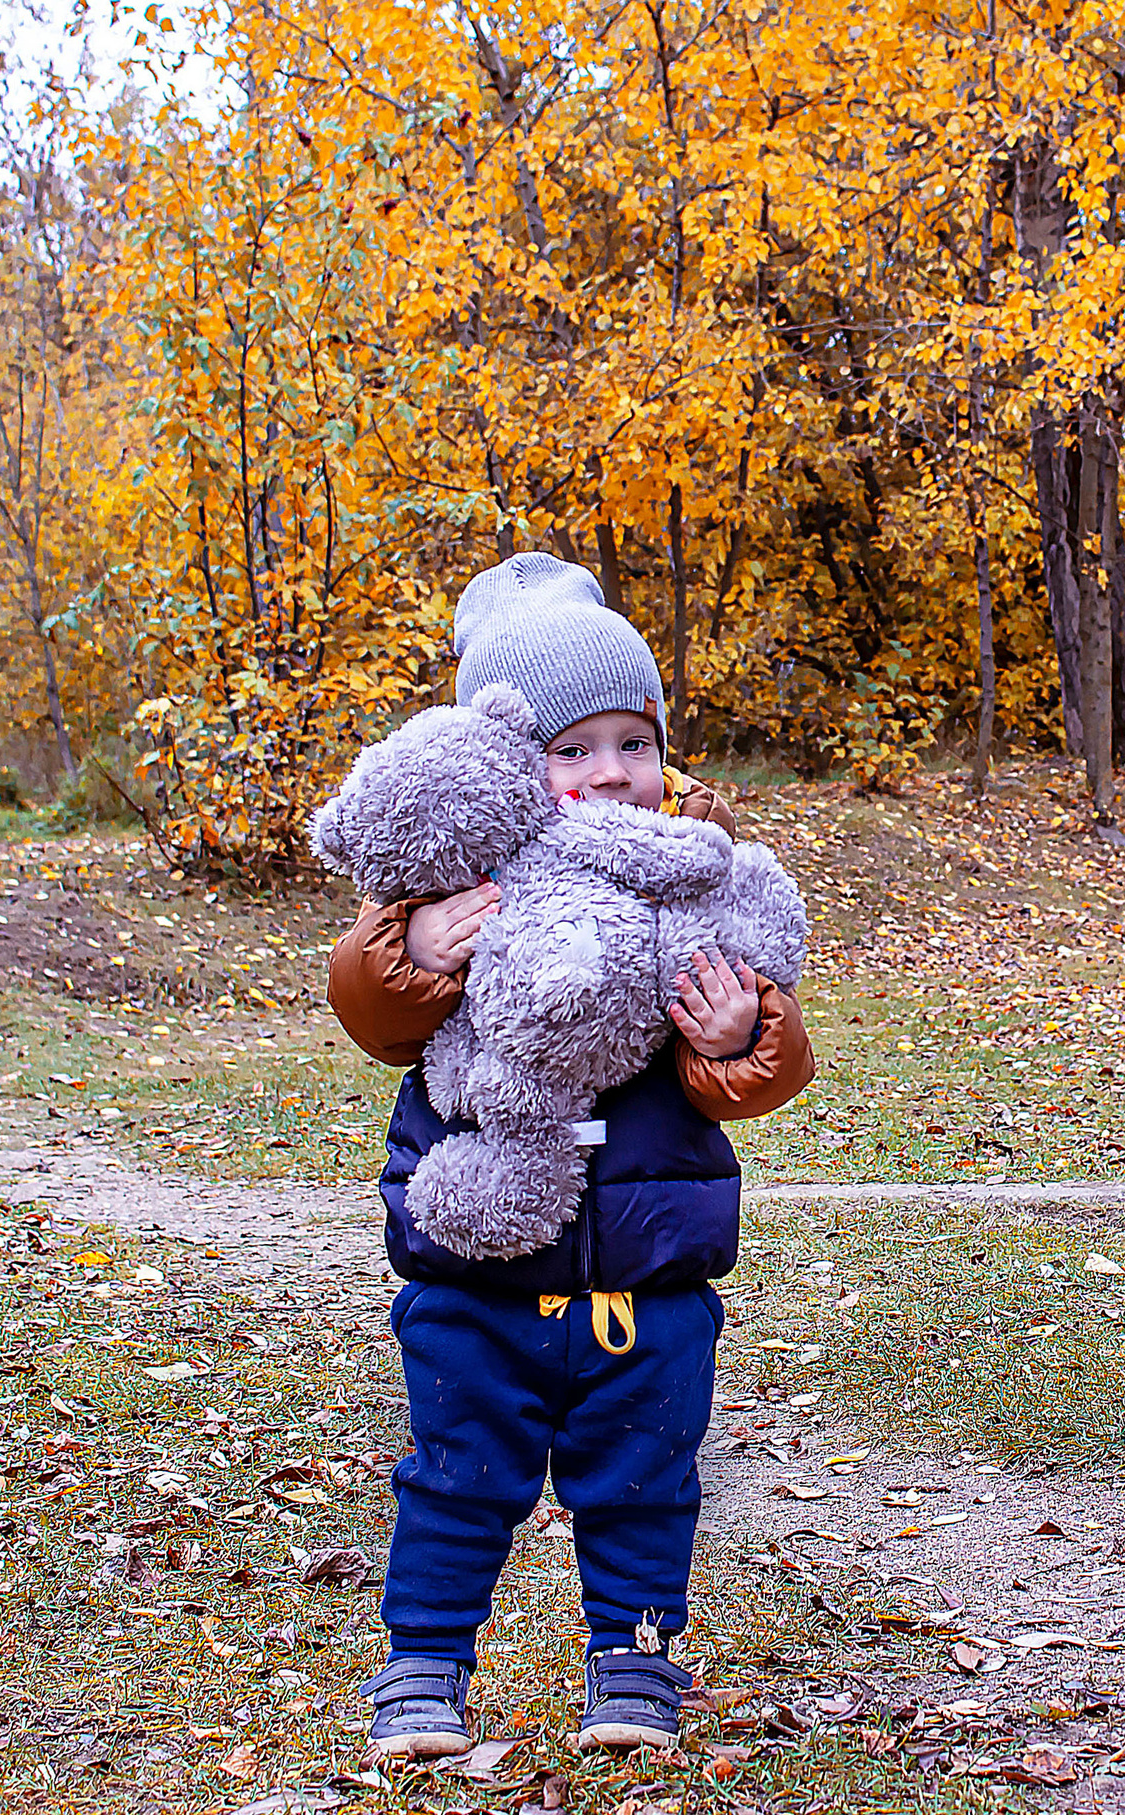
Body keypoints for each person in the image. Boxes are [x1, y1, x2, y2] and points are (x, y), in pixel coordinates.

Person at [326, 552, 815, 1760]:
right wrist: (417, 948)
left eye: (631, 743)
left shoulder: (691, 877)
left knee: (644, 1482)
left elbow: (767, 1054)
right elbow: (370, 1011)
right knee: (455, 1478)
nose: (609, 772)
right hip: (474, 1273)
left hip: (650, 1275)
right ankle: (422, 1671)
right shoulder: (443, 881)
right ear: (509, 760)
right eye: (572, 748)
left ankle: (633, 1665)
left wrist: (743, 1034)